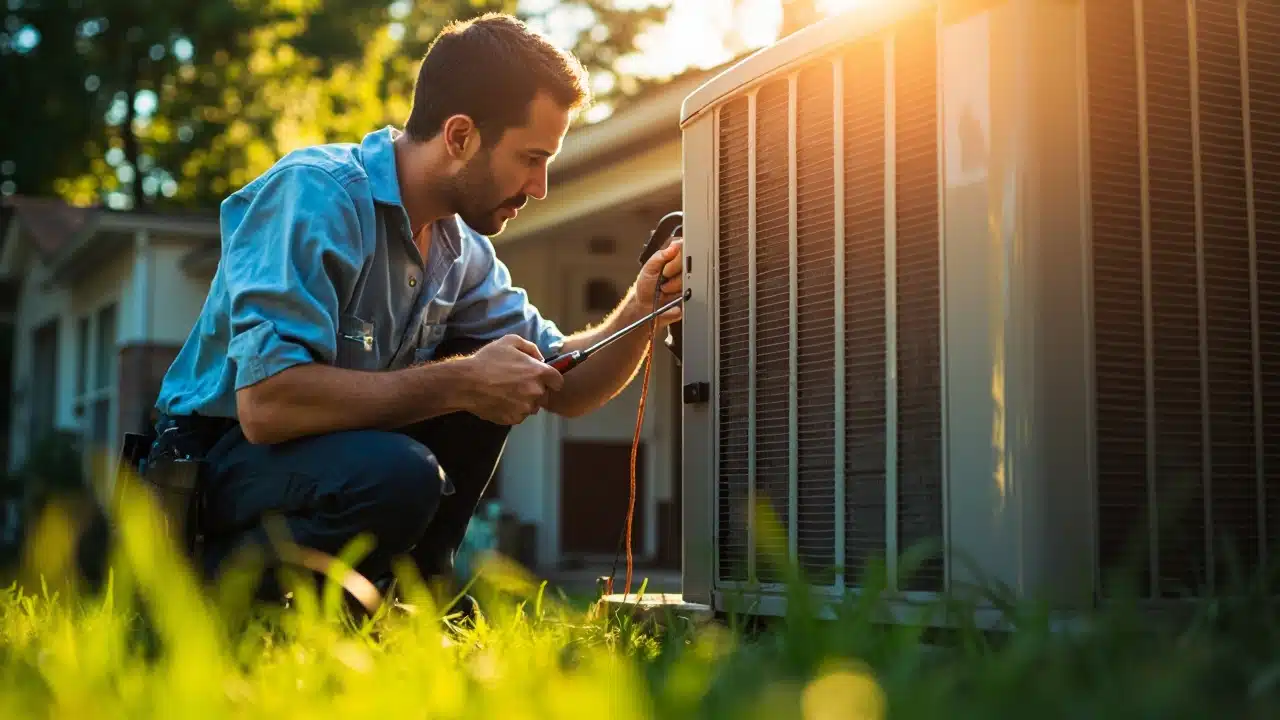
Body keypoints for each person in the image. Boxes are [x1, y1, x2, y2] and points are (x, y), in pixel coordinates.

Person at [148, 12, 685, 615]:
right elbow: (269, 406)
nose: (540, 187)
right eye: (531, 159)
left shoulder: (462, 250)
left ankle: (410, 606)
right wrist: (459, 380)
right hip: (216, 471)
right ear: (460, 137)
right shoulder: (316, 194)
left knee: (505, 372)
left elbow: (563, 382)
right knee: (409, 456)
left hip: (322, 462)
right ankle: (217, 602)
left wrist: (642, 306)